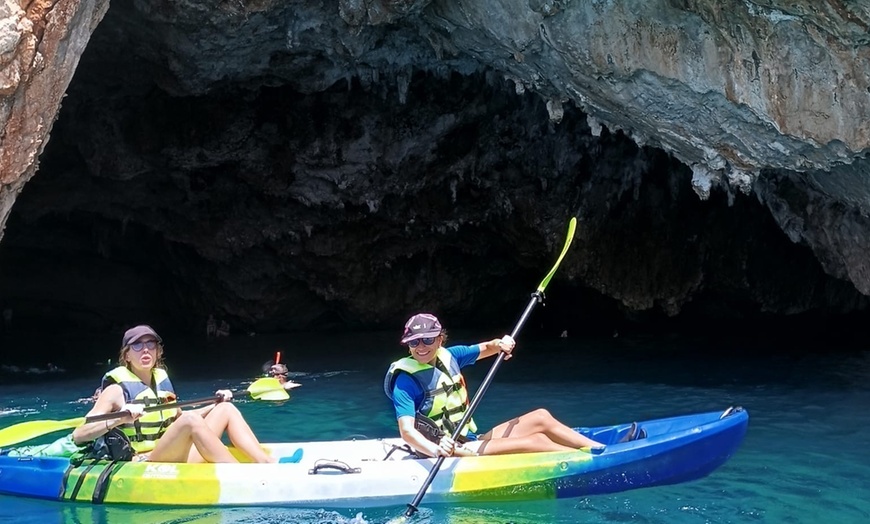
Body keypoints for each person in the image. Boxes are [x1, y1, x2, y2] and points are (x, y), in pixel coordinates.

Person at [385, 313, 610, 458]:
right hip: (447, 449)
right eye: (414, 342)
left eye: (428, 340)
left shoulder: (451, 356)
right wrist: (436, 450)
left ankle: (598, 450)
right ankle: (588, 462)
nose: (421, 347)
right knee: (536, 441)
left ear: (440, 340)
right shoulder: (405, 381)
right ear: (408, 345)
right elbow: (407, 432)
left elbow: (487, 347)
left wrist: (501, 344)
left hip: (467, 439)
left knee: (541, 416)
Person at [72, 324, 274, 463]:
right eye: (137, 345)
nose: (145, 350)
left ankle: (265, 463)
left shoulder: (161, 381)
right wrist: (120, 418)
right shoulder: (115, 390)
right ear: (127, 355)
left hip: (174, 450)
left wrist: (217, 403)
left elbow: (178, 419)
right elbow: (79, 435)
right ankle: (237, 475)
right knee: (189, 419)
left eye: (151, 344)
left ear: (158, 351)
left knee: (226, 409)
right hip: (146, 459)